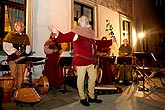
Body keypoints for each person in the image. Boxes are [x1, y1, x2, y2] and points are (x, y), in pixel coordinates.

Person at [48, 16, 105, 106]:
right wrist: (57, 33)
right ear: (79, 22)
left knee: (93, 79)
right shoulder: (76, 33)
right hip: (81, 61)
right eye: (84, 19)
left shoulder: (91, 34)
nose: (87, 21)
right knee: (81, 80)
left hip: (92, 62)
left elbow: (99, 43)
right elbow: (65, 37)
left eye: (87, 19)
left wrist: (111, 41)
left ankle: (91, 96)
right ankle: (82, 98)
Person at [3, 21, 31, 89]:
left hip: (22, 57)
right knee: (13, 73)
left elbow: (28, 46)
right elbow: (6, 45)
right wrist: (15, 51)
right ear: (16, 27)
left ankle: (19, 87)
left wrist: (25, 51)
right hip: (13, 57)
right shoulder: (10, 35)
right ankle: (13, 88)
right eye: (21, 26)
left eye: (23, 26)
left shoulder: (25, 36)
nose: (23, 27)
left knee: (21, 73)